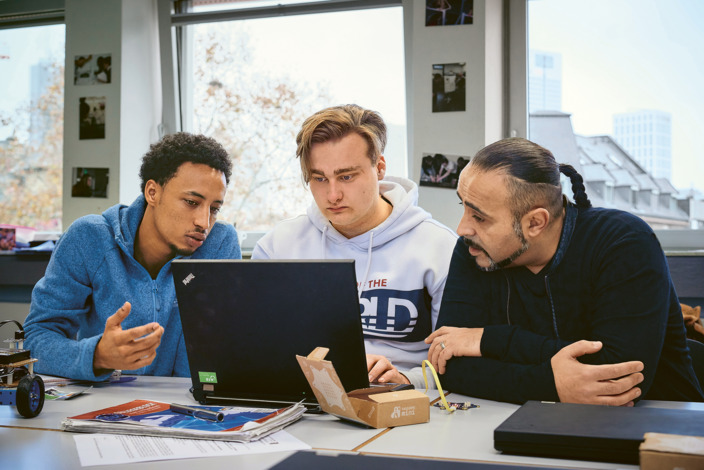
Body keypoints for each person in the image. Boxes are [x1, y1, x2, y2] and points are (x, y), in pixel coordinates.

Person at [426, 137, 704, 405]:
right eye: (463, 206)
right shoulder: (476, 249)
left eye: (479, 216)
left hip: (658, 430)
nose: (463, 228)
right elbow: (448, 366)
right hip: (527, 428)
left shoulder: (624, 243)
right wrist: (553, 384)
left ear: (535, 222)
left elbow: (619, 379)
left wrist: (489, 340)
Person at [252, 104, 457, 388]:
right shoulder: (278, 247)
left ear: (380, 167)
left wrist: (406, 379)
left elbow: (456, 362)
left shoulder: (441, 249)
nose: (333, 194)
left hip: (406, 401)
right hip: (304, 399)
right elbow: (256, 347)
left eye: (347, 176)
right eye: (319, 178)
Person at [24, 132, 241, 381]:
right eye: (192, 202)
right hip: (103, 403)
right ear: (152, 192)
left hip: (187, 406)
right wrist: (97, 356)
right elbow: (37, 338)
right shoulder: (89, 238)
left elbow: (217, 346)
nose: (204, 222)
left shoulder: (220, 244)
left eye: (214, 209)